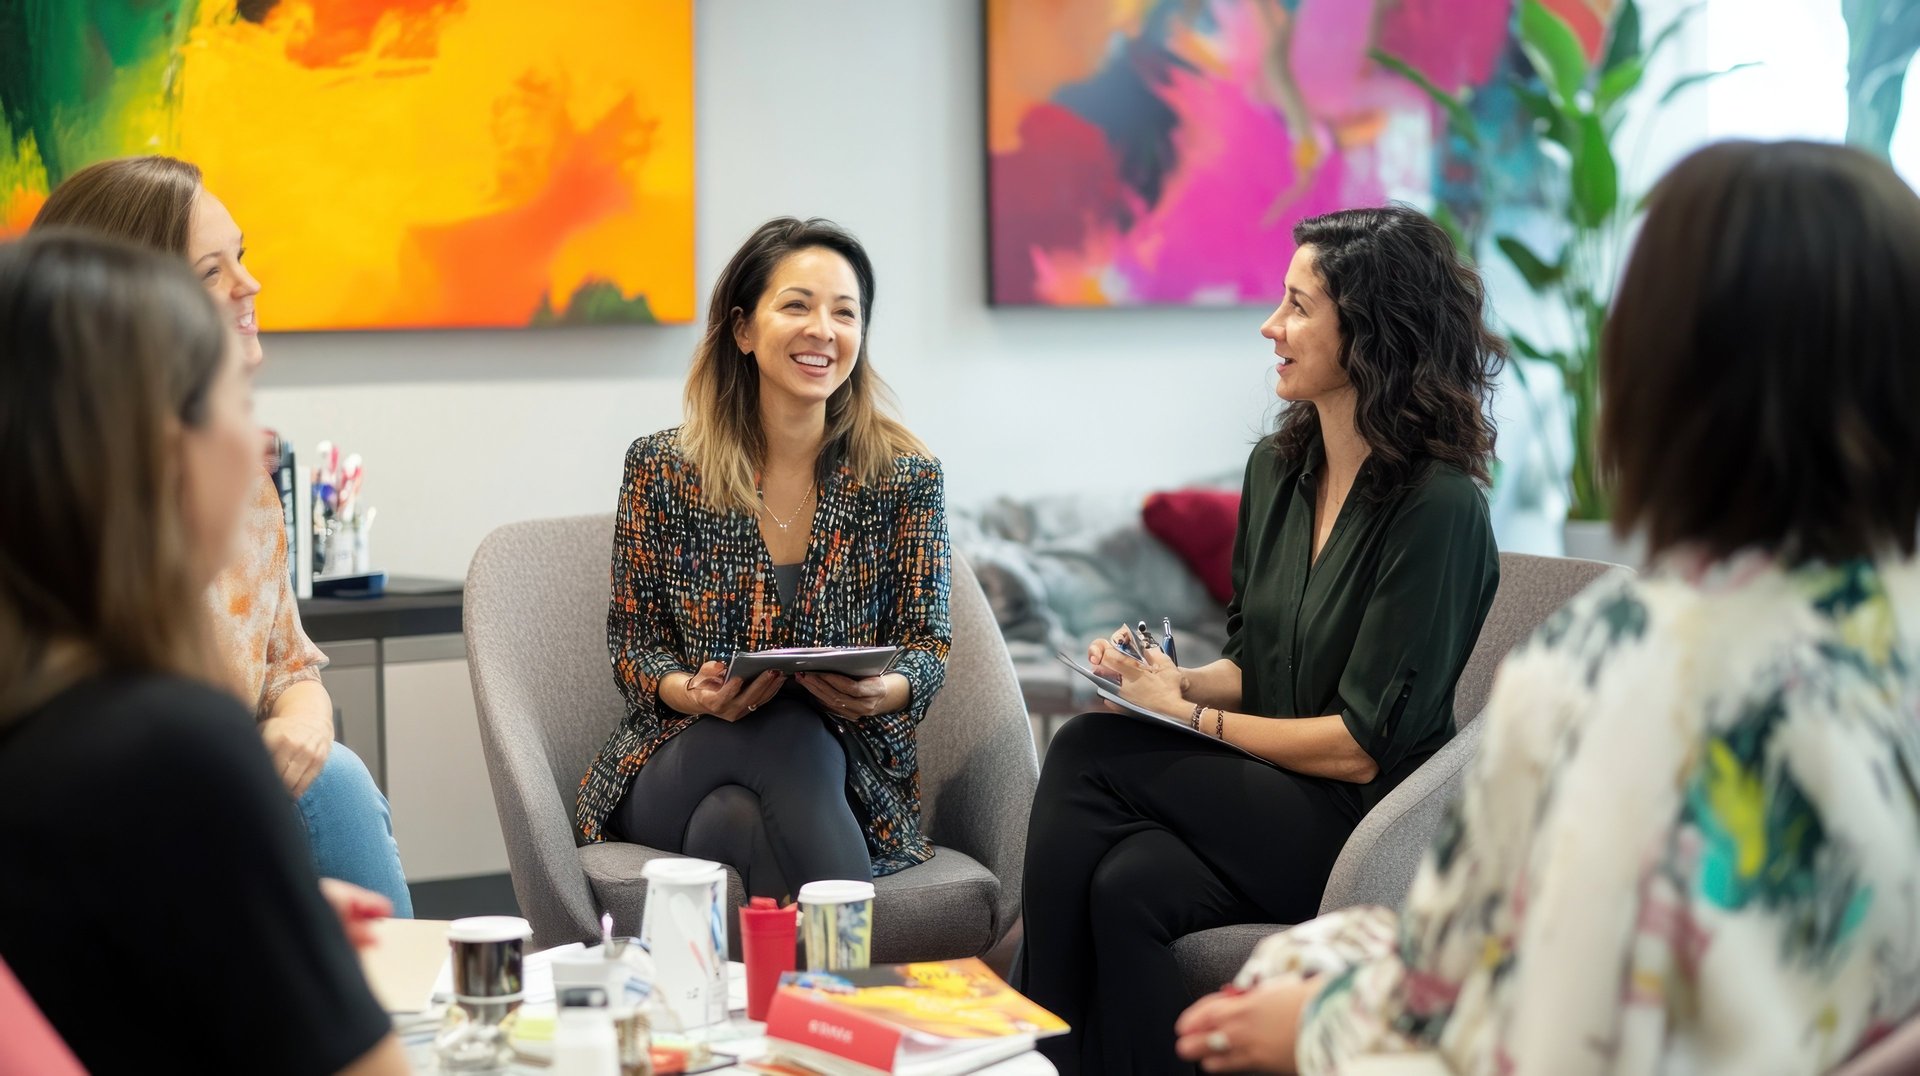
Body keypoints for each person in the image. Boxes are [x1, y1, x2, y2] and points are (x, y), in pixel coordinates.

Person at [1173, 140, 1920, 1075]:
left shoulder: (1610, 668)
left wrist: (1309, 1025)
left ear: (1657, 375)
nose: (1273, 327)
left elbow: (1500, 1023)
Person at [1017, 204, 1504, 1074]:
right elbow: (1253, 663)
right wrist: (1170, 681)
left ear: (1372, 332)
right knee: (1128, 884)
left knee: (1089, 752)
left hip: (1360, 828)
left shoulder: (1439, 510)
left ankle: (1028, 1042)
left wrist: (1188, 721)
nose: (1270, 326)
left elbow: (1360, 749)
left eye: (1298, 306)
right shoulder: (1276, 472)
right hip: (1266, 798)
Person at [0, 230, 407, 1074]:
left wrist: (244, 912)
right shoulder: (173, 749)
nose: (257, 445)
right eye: (238, 405)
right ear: (161, 444)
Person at [31, 156, 412, 914]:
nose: (249, 286)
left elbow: (287, 667)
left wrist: (302, 732)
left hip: (223, 803)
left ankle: (402, 1010)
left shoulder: (239, 485)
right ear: (124, 305)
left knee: (333, 779)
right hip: (107, 842)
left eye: (243, 257)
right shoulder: (48, 512)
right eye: (212, 270)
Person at [575, 217, 952, 900]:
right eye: (797, 305)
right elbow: (635, 642)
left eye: (845, 313)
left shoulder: (903, 476)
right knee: (788, 735)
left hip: (852, 775)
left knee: (734, 824)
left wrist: (881, 691)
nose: (823, 331)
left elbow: (928, 644)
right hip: (683, 754)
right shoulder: (664, 468)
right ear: (744, 330)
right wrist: (692, 691)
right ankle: (851, 992)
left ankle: (760, 1003)